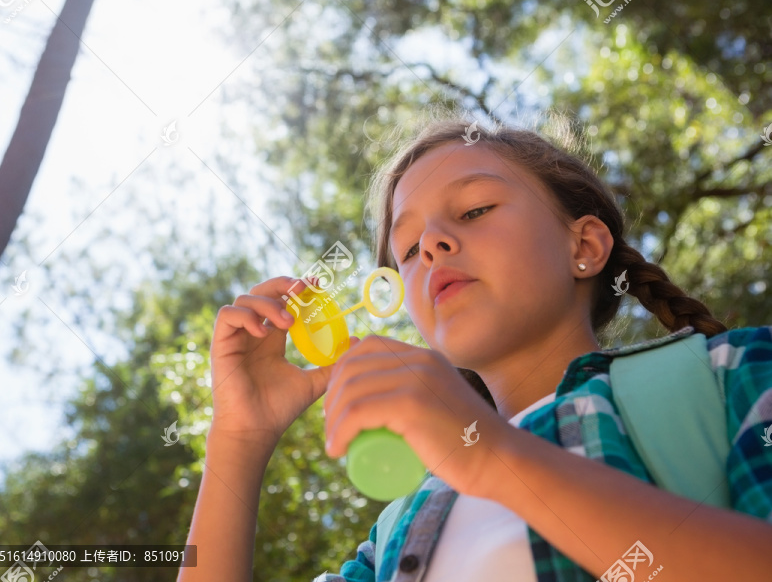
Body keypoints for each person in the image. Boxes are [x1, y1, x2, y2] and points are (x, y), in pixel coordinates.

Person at [178, 111, 772, 582]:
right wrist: (239, 437)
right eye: (408, 250)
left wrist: (492, 456)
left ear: (584, 246)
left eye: (475, 209)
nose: (432, 244)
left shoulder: (729, 372)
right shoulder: (394, 533)